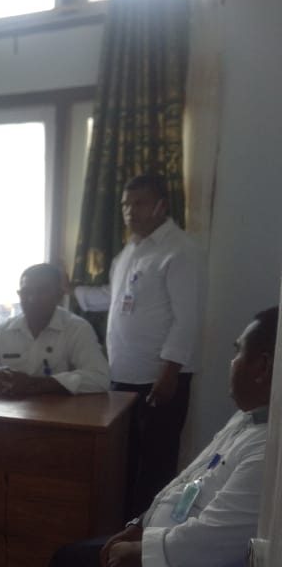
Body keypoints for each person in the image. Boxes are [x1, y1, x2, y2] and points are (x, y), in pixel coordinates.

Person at [18, 306, 277, 567]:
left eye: (237, 351)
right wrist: (139, 524)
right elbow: (186, 481)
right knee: (67, 561)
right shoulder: (248, 420)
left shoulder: (270, 452)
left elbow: (211, 542)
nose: (232, 362)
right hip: (173, 560)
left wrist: (140, 553)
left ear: (262, 367)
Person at [74, 174, 205, 518]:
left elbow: (187, 318)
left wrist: (169, 372)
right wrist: (73, 292)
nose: (130, 211)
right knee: (125, 461)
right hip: (122, 377)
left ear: (161, 205)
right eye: (125, 205)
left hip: (159, 378)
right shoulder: (130, 251)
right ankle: (123, 529)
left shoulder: (181, 250)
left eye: (139, 203)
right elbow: (114, 298)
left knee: (155, 463)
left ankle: (147, 534)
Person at [0, 263, 110, 396]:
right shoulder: (5, 330)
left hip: (61, 416)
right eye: (26, 292)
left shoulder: (77, 329)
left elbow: (100, 378)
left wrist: (35, 384)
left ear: (59, 295)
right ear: (19, 294)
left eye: (42, 291)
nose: (33, 299)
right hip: (10, 414)